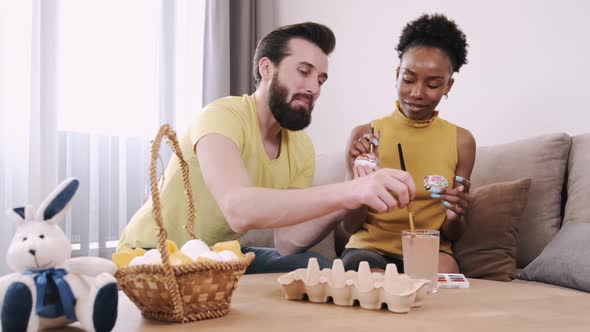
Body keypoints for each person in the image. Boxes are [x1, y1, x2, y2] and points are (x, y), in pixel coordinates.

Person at [118, 22, 416, 274]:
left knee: (318, 267)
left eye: (321, 79)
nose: (314, 87)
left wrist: (352, 191)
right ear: (267, 68)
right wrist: (349, 192)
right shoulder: (222, 116)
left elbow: (287, 242)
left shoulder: (300, 146)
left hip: (217, 259)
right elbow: (239, 210)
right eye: (304, 71)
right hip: (153, 255)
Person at [339, 14, 476, 274]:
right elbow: (349, 226)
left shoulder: (462, 141)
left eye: (433, 84)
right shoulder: (365, 136)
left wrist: (455, 215)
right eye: (409, 79)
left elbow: (453, 233)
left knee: (445, 281)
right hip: (369, 249)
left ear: (448, 86)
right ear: (397, 74)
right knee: (374, 284)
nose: (416, 93)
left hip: (429, 249)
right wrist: (362, 183)